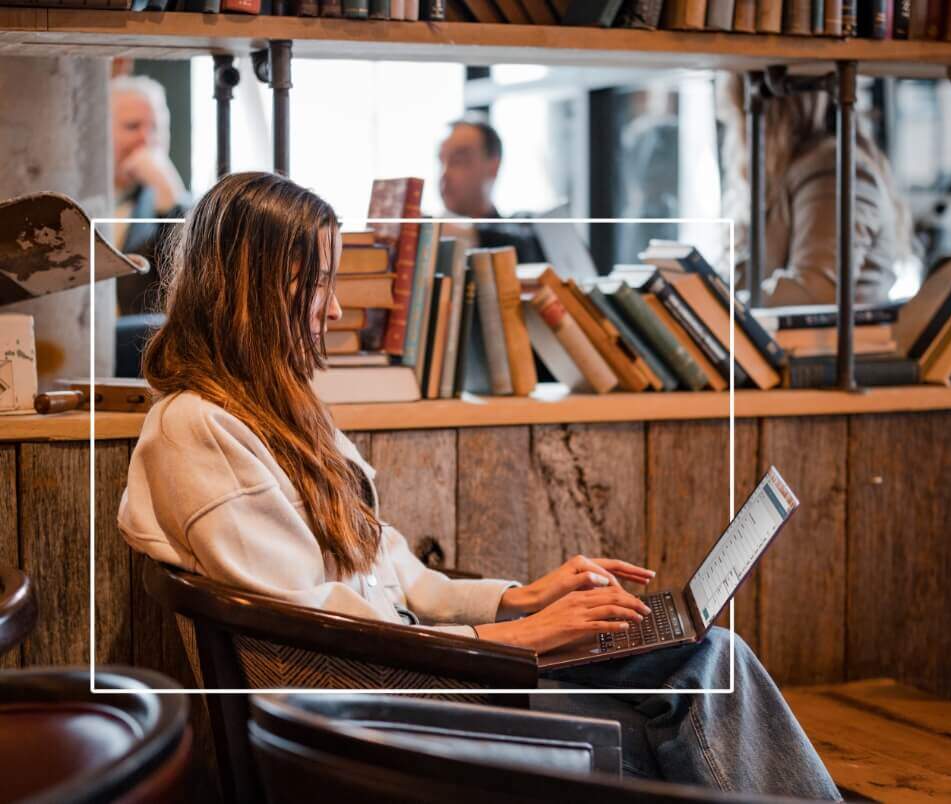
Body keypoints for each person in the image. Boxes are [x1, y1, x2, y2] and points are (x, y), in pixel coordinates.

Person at [117, 172, 840, 801]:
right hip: (372, 718)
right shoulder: (197, 427)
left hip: (423, 673)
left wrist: (515, 599)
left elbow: (382, 564)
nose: (335, 311)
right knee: (681, 702)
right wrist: (509, 641)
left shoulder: (276, 406)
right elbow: (307, 637)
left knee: (707, 656)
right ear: (250, 292)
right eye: (317, 285)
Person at [719, 73, 916, 307]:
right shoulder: (797, 170)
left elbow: (815, 290)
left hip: (822, 343)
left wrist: (717, 308)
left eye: (738, 117)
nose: (736, 135)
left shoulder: (830, 169)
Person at [111, 74, 191, 316]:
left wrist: (171, 201)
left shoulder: (169, 205)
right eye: (133, 126)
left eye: (155, 128)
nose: (147, 140)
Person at [437, 116, 546, 264]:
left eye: (458, 161)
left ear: (493, 166)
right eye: (441, 161)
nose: (445, 174)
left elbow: (530, 249)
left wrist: (465, 233)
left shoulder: (524, 225)